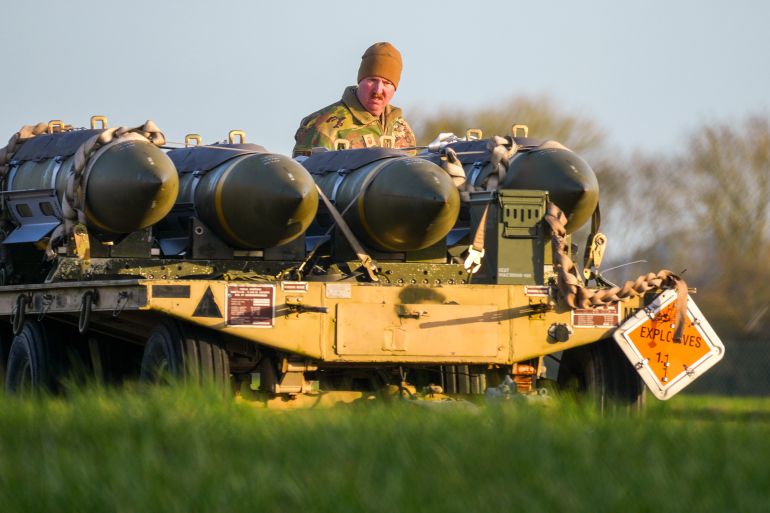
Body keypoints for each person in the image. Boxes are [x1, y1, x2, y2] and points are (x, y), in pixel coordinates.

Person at [292, 42, 416, 157]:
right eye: (372, 80)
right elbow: (304, 177)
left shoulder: (401, 129)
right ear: (360, 81)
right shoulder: (321, 126)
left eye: (387, 83)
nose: (378, 90)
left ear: (395, 89)